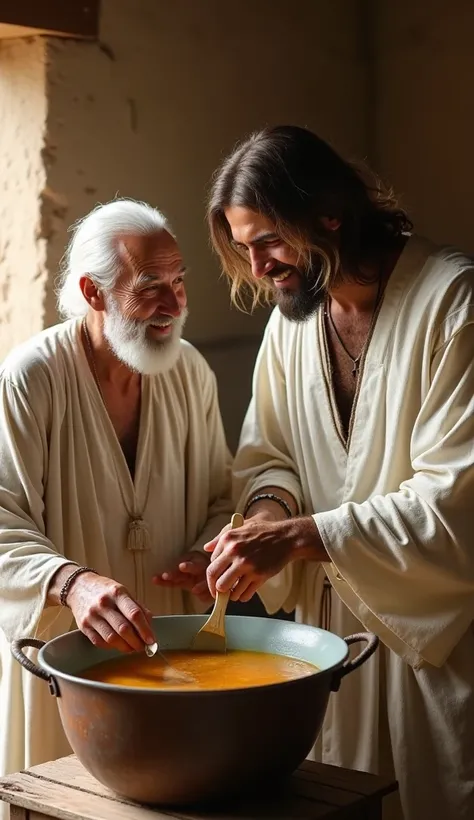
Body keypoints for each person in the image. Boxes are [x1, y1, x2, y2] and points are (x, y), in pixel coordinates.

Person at [205, 125, 474, 820]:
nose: (259, 267)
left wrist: (301, 537)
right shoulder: (291, 326)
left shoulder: (453, 303)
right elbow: (271, 457)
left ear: (328, 214)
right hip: (330, 646)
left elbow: (457, 498)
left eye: (267, 240)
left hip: (437, 638)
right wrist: (265, 519)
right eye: (243, 248)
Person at [0, 198, 233, 811]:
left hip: (170, 653)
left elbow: (219, 495)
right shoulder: (31, 378)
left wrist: (205, 556)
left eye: (179, 281)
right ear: (93, 291)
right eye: (150, 284)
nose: (174, 303)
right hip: (65, 663)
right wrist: (69, 583)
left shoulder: (190, 372)